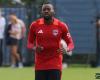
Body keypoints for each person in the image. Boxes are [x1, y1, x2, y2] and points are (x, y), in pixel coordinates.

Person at [27, 3, 74, 80]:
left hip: (55, 63)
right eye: (44, 10)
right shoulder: (35, 25)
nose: (46, 11)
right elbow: (29, 43)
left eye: (48, 9)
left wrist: (67, 49)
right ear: (41, 12)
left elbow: (71, 43)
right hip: (40, 63)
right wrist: (34, 48)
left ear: (53, 11)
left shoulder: (61, 25)